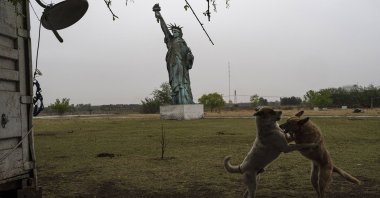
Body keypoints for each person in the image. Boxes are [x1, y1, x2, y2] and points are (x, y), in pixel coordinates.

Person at [154, 5, 194, 104]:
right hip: (172, 64)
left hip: (181, 65)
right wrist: (159, 16)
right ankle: (177, 101)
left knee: (183, 83)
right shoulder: (171, 40)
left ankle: (185, 100)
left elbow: (189, 57)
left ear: (180, 33)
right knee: (175, 83)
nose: (174, 33)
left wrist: (190, 58)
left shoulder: (183, 43)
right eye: (173, 32)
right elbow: (165, 30)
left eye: (176, 32)